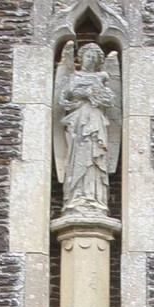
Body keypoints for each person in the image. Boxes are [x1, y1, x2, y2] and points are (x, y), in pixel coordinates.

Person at [57, 43, 115, 214]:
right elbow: (62, 99)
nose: (90, 60)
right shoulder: (74, 77)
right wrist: (81, 94)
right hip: (78, 121)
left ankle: (95, 198)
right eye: (88, 56)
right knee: (77, 156)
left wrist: (94, 94)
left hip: (96, 120)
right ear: (81, 58)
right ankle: (76, 197)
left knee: (95, 157)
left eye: (94, 57)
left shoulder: (101, 78)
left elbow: (109, 101)